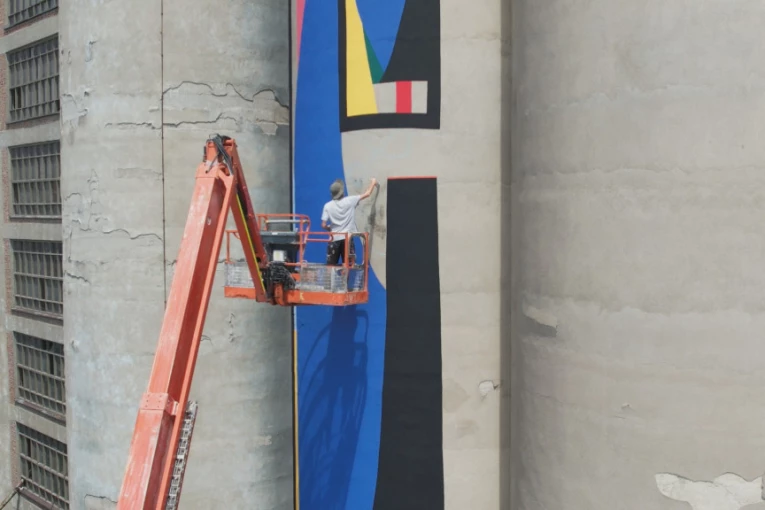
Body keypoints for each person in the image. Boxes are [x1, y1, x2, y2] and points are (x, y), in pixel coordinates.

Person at [321, 177, 377, 265]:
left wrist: (330, 229)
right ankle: (345, 275)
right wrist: (373, 182)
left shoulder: (327, 206)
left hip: (334, 239)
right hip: (348, 238)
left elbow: (323, 225)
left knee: (330, 267)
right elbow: (367, 194)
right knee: (347, 266)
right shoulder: (350, 200)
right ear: (342, 192)